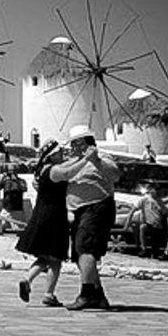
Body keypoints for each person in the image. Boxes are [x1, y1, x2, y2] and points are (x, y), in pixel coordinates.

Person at [50, 127, 120, 310]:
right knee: (80, 253)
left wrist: (94, 160)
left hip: (98, 207)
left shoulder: (103, 159)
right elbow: (59, 175)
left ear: (83, 143)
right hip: (80, 211)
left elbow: (115, 174)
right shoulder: (73, 161)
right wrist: (84, 161)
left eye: (74, 144)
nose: (71, 148)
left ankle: (87, 294)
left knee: (85, 250)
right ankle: (98, 295)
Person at [15, 139, 69, 307]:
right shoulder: (55, 171)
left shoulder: (42, 171)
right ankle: (49, 293)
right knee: (56, 258)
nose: (63, 154)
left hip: (41, 214)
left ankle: (28, 279)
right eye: (59, 152)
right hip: (54, 216)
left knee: (45, 256)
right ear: (52, 155)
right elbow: (72, 171)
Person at [123, 184, 168, 258]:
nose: (156, 192)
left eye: (158, 190)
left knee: (155, 245)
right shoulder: (144, 200)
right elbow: (133, 210)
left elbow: (165, 213)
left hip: (157, 225)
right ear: (151, 190)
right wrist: (128, 222)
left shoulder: (159, 201)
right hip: (148, 223)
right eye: (155, 190)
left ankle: (154, 253)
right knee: (142, 228)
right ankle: (143, 249)